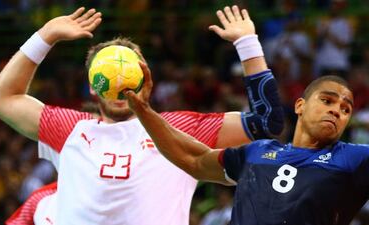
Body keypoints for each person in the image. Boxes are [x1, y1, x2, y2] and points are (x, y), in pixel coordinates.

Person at [0, 6, 283, 225]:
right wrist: (46, 35)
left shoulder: (176, 129)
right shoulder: (68, 128)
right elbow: (1, 98)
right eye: (109, 75)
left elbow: (266, 121)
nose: (119, 83)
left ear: (146, 80)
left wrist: (247, 44)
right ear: (92, 86)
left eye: (128, 73)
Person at [125, 6, 369, 225]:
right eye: (327, 100)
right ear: (299, 106)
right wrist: (144, 110)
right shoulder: (257, 152)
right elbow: (193, 160)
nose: (336, 110)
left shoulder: (353, 159)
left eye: (346, 109)